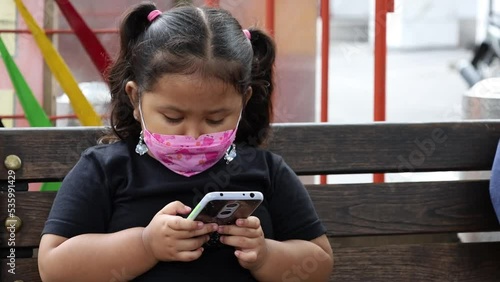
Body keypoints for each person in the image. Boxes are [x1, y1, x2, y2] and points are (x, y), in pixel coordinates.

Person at [38, 2, 333, 281]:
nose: (193, 135)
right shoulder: (106, 170)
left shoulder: (266, 171)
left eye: (216, 119)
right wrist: (145, 245)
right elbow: (54, 267)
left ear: (244, 102)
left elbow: (318, 263)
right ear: (134, 98)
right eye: (172, 117)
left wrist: (266, 256)